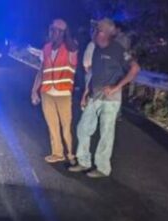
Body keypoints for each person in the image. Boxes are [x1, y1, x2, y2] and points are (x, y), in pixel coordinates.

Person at [69, 18, 140, 178]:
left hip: (110, 100)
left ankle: (102, 168)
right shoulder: (96, 49)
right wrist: (86, 92)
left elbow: (135, 69)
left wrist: (116, 87)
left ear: (104, 33)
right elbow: (94, 73)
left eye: (97, 29)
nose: (94, 32)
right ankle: (84, 162)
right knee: (83, 128)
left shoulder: (119, 50)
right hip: (95, 96)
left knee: (106, 133)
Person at [30, 19, 78, 164]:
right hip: (47, 93)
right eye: (51, 29)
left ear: (63, 33)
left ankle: (70, 154)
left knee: (66, 127)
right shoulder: (46, 48)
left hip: (63, 93)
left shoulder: (71, 48)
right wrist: (34, 91)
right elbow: (42, 71)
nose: (52, 32)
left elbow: (75, 53)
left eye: (56, 30)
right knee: (52, 126)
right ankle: (57, 153)